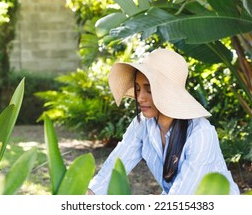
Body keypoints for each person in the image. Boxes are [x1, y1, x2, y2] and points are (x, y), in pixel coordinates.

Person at [87, 48, 240, 195]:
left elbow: (183, 195)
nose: (140, 98)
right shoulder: (142, 124)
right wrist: (91, 193)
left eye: (149, 89)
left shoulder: (200, 134)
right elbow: (117, 163)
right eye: (138, 88)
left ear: (169, 93)